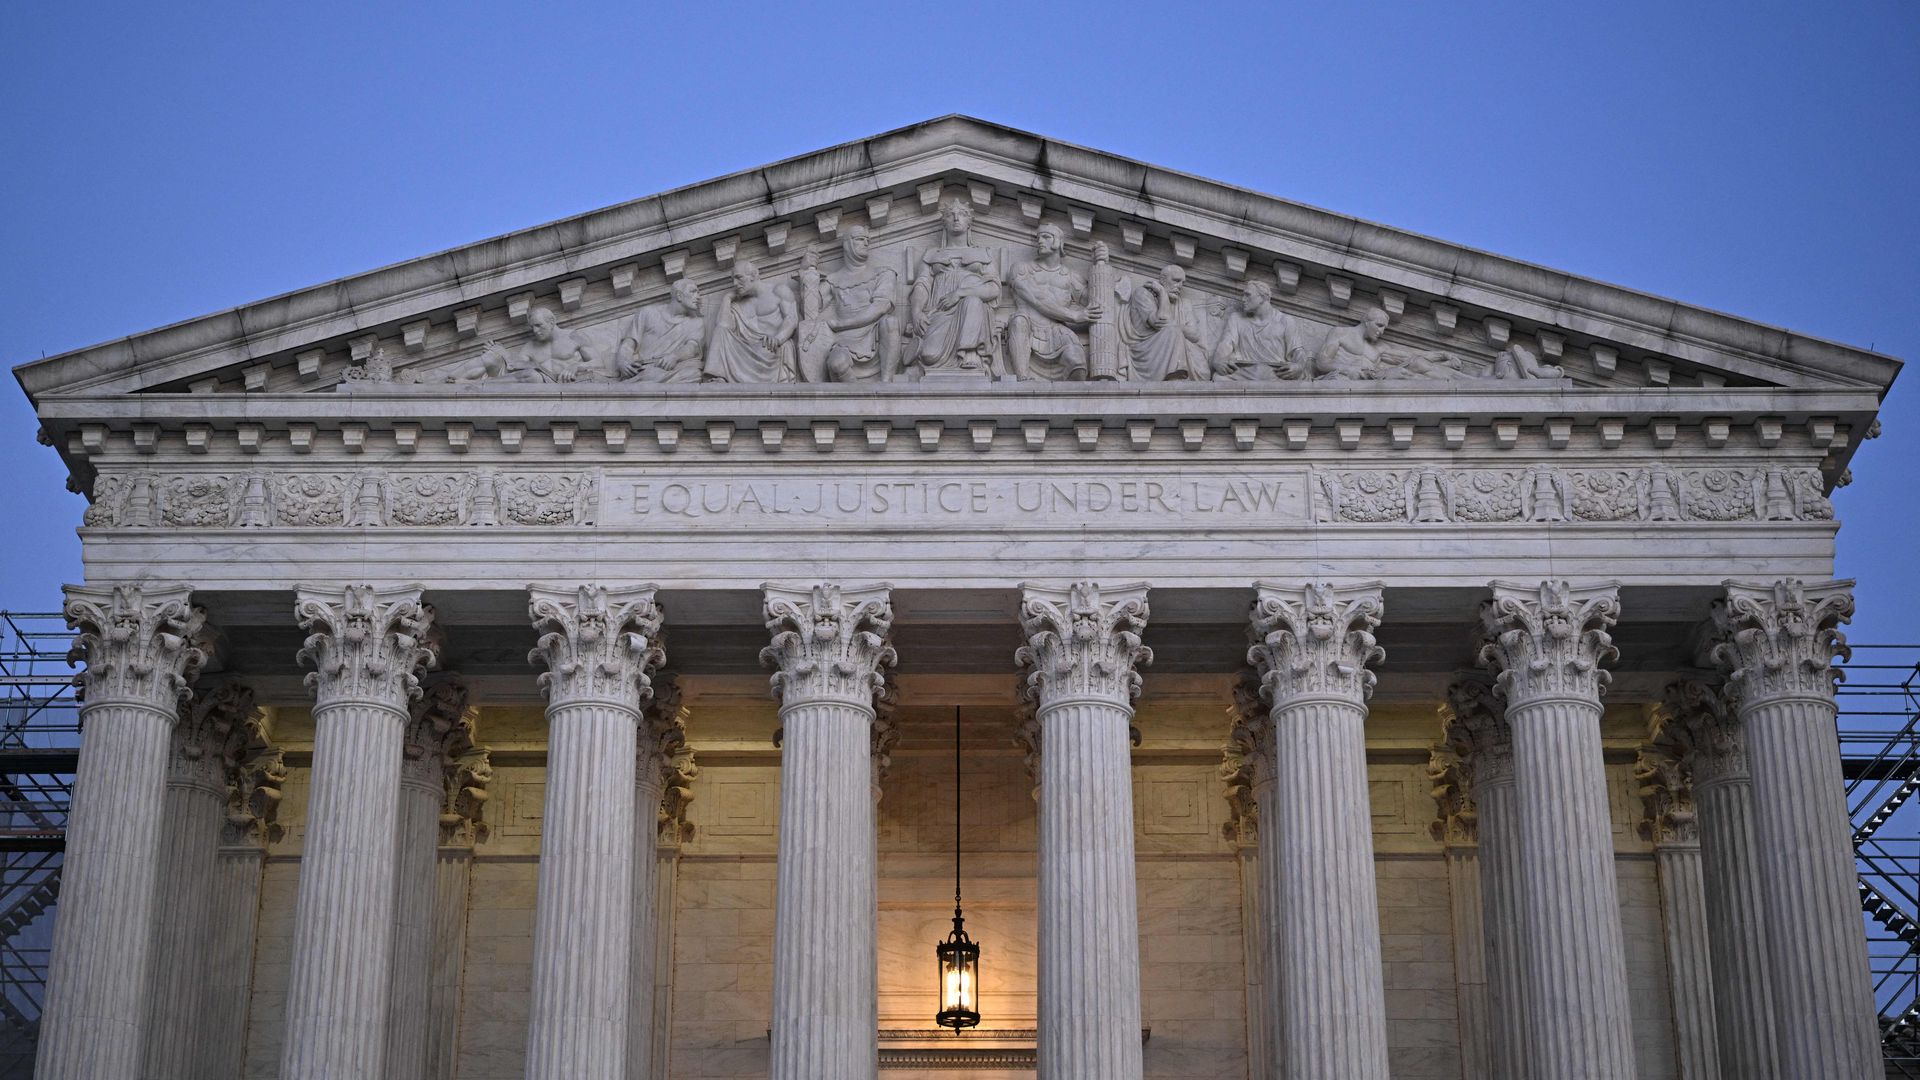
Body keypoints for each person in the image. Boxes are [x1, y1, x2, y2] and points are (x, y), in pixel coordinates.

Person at [906, 199, 1000, 375]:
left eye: (962, 214)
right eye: (950, 215)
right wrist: (917, 313)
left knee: (972, 301)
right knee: (929, 355)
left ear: (969, 221)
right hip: (940, 310)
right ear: (944, 222)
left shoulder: (984, 254)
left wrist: (960, 293)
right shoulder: (932, 254)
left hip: (972, 313)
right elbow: (922, 285)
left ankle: (970, 352)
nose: (956, 218)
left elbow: (994, 289)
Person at [1006, 223, 1099, 381]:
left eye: (1046, 237)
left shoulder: (1070, 277)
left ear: (1058, 242)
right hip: (1028, 327)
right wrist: (1075, 315)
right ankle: (1022, 378)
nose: (1040, 241)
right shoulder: (1022, 269)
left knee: (1078, 366)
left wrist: (1101, 264)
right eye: (1038, 238)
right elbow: (1038, 300)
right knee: (1018, 320)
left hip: (1057, 331)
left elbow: (1095, 302)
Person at [819, 226, 900, 382]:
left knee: (890, 322)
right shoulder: (833, 280)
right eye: (860, 239)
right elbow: (812, 307)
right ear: (847, 244)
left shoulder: (883, 273)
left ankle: (886, 385)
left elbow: (881, 307)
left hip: (874, 334)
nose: (866, 243)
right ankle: (860, 399)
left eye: (867, 240)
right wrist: (807, 273)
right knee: (836, 364)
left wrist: (841, 323)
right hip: (844, 340)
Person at [701, 261, 797, 383]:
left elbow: (791, 319)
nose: (735, 284)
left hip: (770, 347)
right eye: (733, 280)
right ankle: (718, 377)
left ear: (753, 275)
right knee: (721, 331)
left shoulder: (778, 291)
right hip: (745, 348)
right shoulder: (738, 304)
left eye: (739, 278)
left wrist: (778, 338)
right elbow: (723, 326)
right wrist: (727, 299)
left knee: (770, 348)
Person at [1313, 307, 1459, 379]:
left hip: (1375, 377)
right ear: (1366, 321)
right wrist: (1347, 369)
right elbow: (1322, 362)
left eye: (1384, 328)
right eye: (1379, 325)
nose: (1382, 332)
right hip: (1345, 378)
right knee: (1403, 373)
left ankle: (1462, 381)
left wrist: (1443, 354)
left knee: (1418, 363)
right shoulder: (1341, 333)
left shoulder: (1379, 348)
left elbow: (1411, 355)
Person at [1121, 264, 1207, 381]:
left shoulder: (1184, 303)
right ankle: (1174, 376)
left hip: (1172, 345)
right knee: (1173, 331)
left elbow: (1195, 335)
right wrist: (1162, 293)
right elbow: (1161, 321)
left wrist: (1175, 327)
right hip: (1146, 351)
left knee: (1204, 369)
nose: (1180, 286)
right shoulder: (1142, 293)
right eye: (1176, 280)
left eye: (1182, 283)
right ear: (1162, 280)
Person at [1209, 280, 1303, 380]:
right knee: (1219, 378)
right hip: (1244, 373)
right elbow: (1225, 345)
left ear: (1262, 297)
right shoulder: (1236, 319)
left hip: (1276, 374)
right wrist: (1218, 361)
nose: (1243, 299)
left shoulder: (1285, 321)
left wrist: (1299, 366)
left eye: (1247, 295)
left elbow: (1298, 351)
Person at [616, 280, 705, 383]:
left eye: (698, 293)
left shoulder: (696, 323)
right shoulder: (648, 313)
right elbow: (628, 344)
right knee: (649, 375)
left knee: (694, 374)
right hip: (646, 368)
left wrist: (674, 356)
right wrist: (622, 361)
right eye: (693, 292)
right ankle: (643, 381)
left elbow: (693, 347)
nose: (698, 297)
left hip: (675, 371)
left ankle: (644, 383)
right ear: (679, 296)